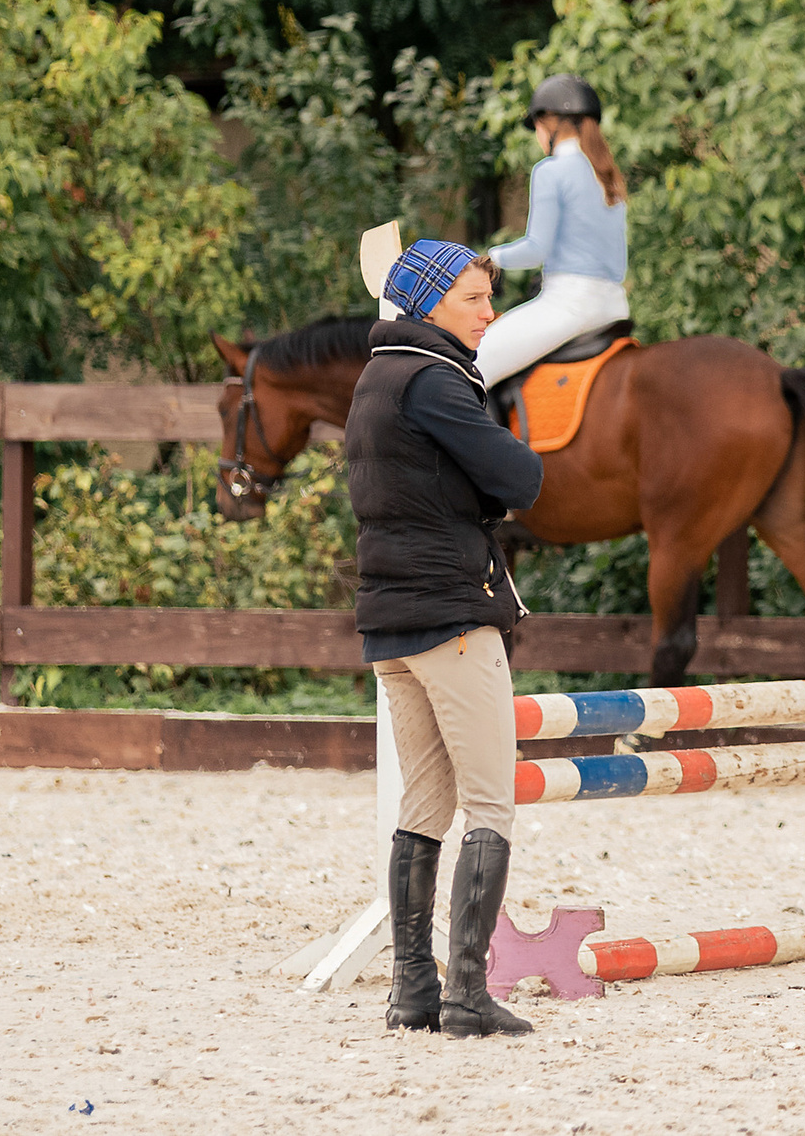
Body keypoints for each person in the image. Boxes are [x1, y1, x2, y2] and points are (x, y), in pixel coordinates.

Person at [349, 238, 546, 1038]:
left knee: (423, 804)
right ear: (431, 301)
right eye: (474, 298)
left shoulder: (376, 375)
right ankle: (467, 992)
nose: (490, 312)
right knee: (491, 803)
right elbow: (521, 477)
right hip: (455, 620)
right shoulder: (435, 380)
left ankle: (412, 990)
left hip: (391, 628)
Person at [476, 73, 633, 387]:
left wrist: (490, 258)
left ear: (551, 122)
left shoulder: (550, 171)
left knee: (474, 362)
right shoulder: (609, 177)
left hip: (570, 305)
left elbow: (537, 249)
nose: (536, 133)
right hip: (614, 306)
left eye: (536, 124)